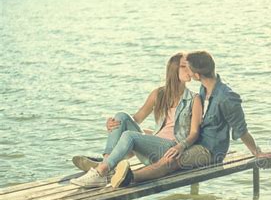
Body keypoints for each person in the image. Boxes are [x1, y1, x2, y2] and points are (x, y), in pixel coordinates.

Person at [110, 50, 271, 188]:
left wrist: (257, 152)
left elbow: (242, 130)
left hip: (210, 150)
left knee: (171, 161)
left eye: (188, 69)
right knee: (149, 136)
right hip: (196, 143)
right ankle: (108, 164)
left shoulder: (227, 97)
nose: (187, 72)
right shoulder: (205, 89)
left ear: (197, 75)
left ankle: (129, 177)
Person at [70, 52, 202, 188]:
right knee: (121, 116)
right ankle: (105, 167)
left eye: (189, 67)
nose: (189, 70)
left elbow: (194, 133)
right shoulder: (158, 94)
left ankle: (101, 171)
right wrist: (112, 123)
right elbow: (137, 118)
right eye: (183, 67)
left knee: (130, 136)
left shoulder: (194, 99)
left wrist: (180, 146)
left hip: (169, 149)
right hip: (151, 146)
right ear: (174, 70)